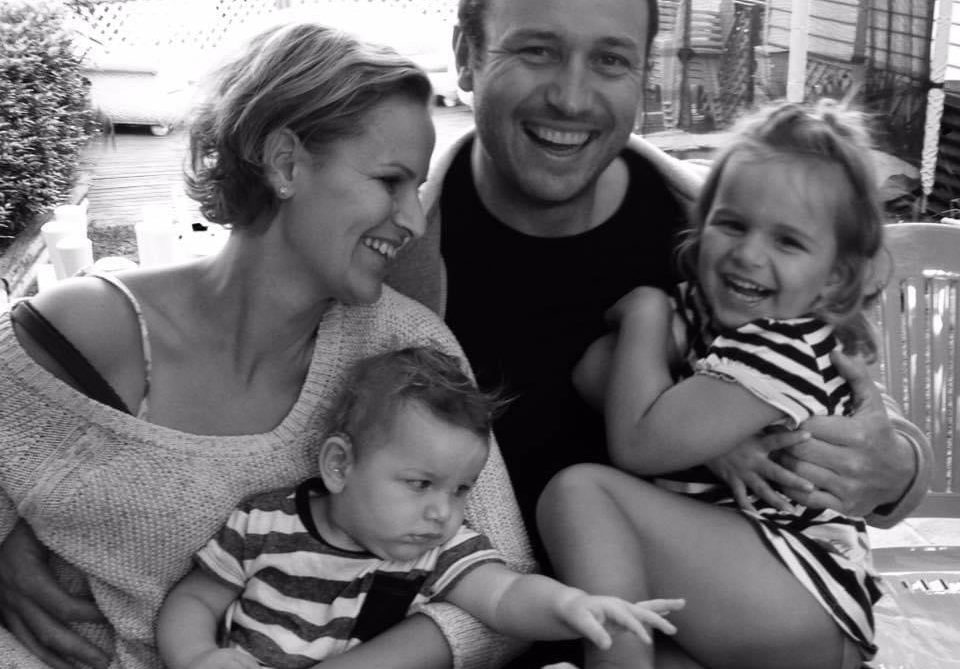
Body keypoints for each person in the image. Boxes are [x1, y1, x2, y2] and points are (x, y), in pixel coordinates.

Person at [0, 21, 534, 669]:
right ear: (285, 162)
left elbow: (505, 586)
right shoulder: (84, 332)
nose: (415, 220)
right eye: (391, 181)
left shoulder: (409, 350)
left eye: (417, 188)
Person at [387, 0, 930, 555]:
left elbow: (847, 392)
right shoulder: (392, 258)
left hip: (705, 624)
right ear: (466, 55)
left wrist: (898, 469)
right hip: (480, 619)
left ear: (643, 74)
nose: (571, 98)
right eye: (537, 51)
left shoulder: (721, 231)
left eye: (610, 60)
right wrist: (706, 443)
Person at [540, 100, 887, 669]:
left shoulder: (783, 345)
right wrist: (711, 437)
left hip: (802, 591)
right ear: (702, 225)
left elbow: (635, 443)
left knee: (580, 493)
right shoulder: (717, 313)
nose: (749, 254)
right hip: (753, 596)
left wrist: (648, 316)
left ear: (836, 276)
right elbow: (594, 372)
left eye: (788, 242)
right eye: (732, 224)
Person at [157, 346, 684, 669]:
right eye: (420, 483)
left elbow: (505, 595)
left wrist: (573, 608)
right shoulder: (264, 523)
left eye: (460, 490)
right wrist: (200, 657)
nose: (442, 513)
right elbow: (195, 601)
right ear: (340, 466)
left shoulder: (436, 551)